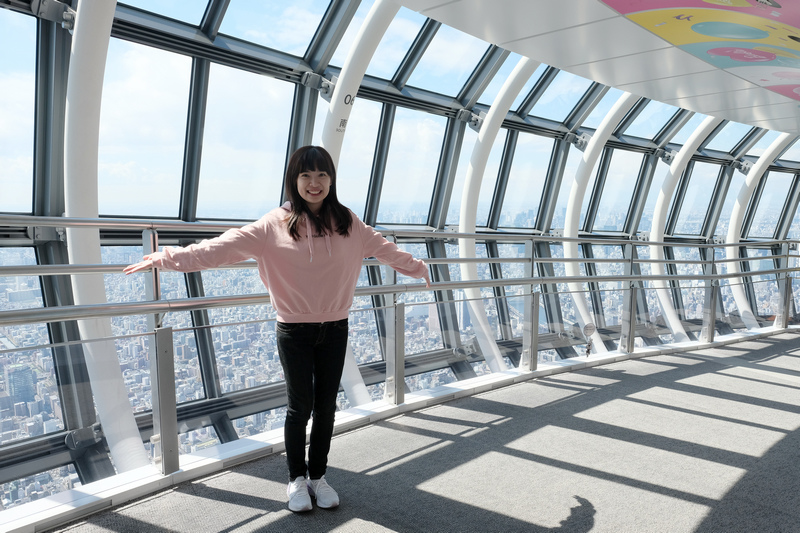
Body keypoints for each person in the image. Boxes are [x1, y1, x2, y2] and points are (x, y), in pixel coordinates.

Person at [124, 146, 430, 512]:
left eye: (321, 175)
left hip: (335, 326)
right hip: (294, 330)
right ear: (294, 180)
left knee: (327, 407)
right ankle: (296, 481)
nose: (314, 183)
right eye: (306, 176)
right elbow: (221, 248)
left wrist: (418, 268)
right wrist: (166, 258)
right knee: (299, 407)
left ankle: (318, 476)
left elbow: (384, 249)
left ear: (331, 180)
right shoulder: (273, 225)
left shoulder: (348, 222)